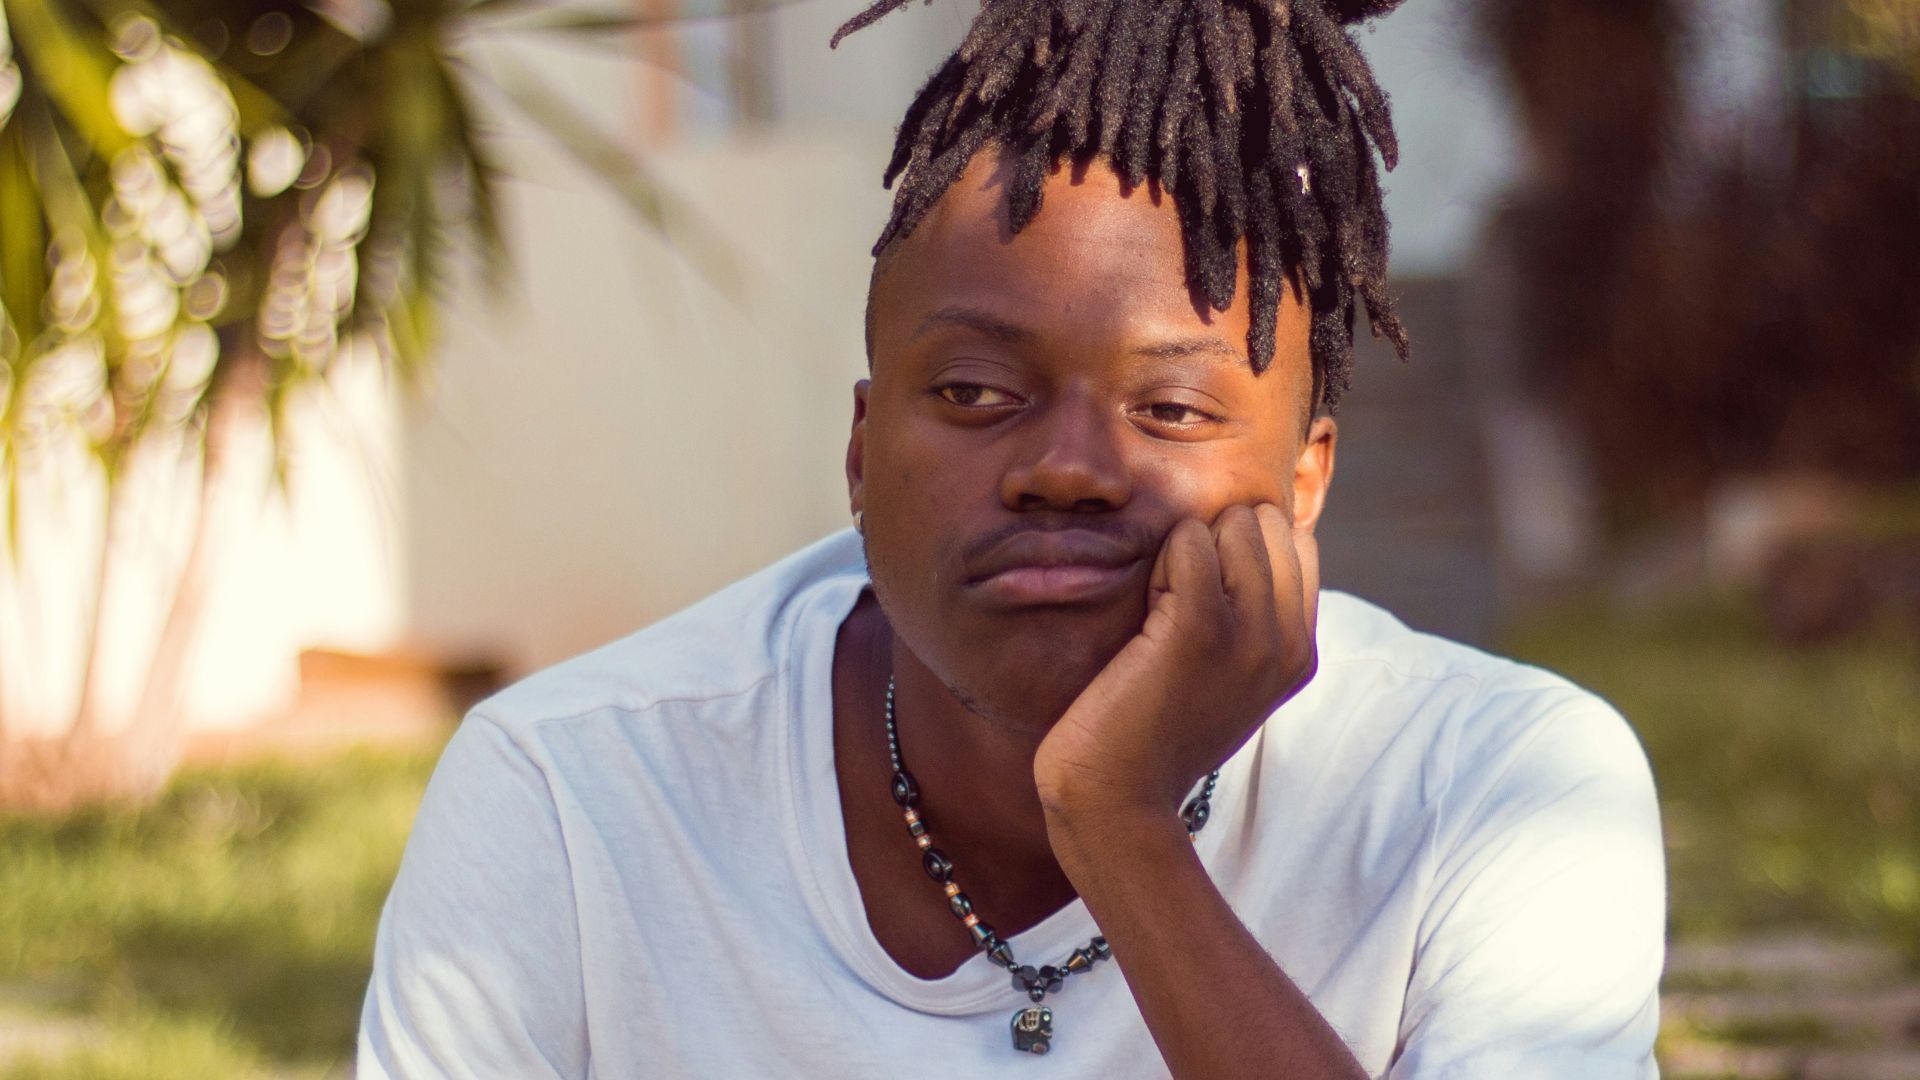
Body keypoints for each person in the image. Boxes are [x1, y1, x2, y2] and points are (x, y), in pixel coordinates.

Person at [357, 0, 1665, 1074]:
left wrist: (1121, 827)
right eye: (977, 394)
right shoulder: (573, 798)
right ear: (862, 451)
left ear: (1307, 476)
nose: (1066, 469)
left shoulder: (1502, 794)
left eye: (1170, 405)